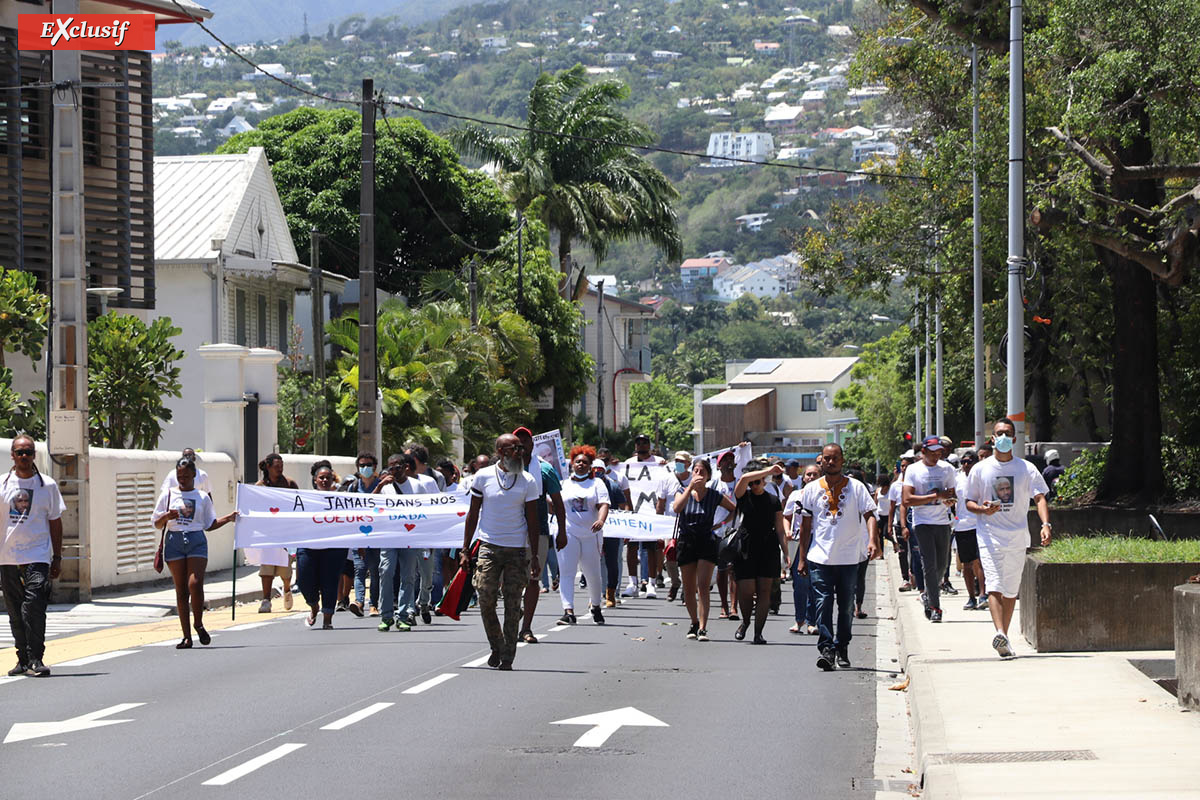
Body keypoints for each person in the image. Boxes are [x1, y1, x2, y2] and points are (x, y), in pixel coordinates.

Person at [966, 418, 1052, 658]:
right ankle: (1000, 633)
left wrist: (1045, 524)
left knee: (1011, 590)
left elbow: (1040, 497)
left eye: (1007, 433)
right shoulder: (980, 469)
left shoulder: (1026, 468)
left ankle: (1004, 638)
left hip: (1017, 536)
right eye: (999, 433)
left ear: (1014, 439)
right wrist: (983, 510)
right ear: (992, 438)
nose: (1003, 437)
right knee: (993, 584)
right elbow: (968, 502)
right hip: (989, 535)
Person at [797, 443, 880, 671]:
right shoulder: (812, 489)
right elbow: (805, 526)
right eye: (826, 458)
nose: (830, 462)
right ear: (821, 460)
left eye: (835, 458)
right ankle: (826, 648)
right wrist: (802, 557)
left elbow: (870, 515)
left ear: (842, 460)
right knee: (823, 603)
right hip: (819, 558)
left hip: (849, 558)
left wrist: (873, 540)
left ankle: (841, 645)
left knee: (845, 607)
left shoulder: (856, 488)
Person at [460, 434, 540, 670]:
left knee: (513, 603)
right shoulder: (482, 477)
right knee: (485, 596)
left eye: (521, 448)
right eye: (515, 449)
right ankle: (496, 644)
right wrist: (465, 549)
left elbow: (533, 520)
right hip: (488, 546)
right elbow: (473, 514)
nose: (520, 452)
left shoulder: (528, 480)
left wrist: (534, 555)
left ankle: (507, 656)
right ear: (501, 452)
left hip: (516, 549)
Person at [152, 458, 237, 649]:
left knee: (195, 584)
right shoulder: (167, 495)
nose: (182, 479)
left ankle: (198, 623)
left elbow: (209, 524)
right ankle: (186, 637)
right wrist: (166, 517)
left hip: (196, 540)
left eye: (186, 476)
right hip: (174, 541)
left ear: (194, 476)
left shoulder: (202, 497)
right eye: (179, 476)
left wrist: (228, 518)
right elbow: (157, 524)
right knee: (181, 591)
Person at [1, 436, 65, 677]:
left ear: (34, 455)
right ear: (12, 456)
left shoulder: (46, 485)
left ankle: (36, 658)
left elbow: (55, 523)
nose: (24, 456)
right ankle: (22, 658)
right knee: (15, 609)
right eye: (20, 452)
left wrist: (56, 557)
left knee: (34, 606)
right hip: (7, 557)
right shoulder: (2, 485)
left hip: (37, 555)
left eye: (28, 452)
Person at [670, 458, 738, 641]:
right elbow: (677, 508)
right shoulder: (681, 491)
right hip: (686, 541)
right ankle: (693, 622)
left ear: (708, 476)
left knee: (703, 586)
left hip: (706, 541)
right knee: (689, 587)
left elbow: (734, 509)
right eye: (696, 471)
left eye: (702, 472)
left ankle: (702, 627)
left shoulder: (714, 495)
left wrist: (719, 525)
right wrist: (690, 487)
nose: (698, 474)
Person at [514, 426, 566, 644]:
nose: (522, 446)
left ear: (532, 445)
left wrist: (562, 531)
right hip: (509, 532)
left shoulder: (544, 470)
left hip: (539, 533)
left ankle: (525, 628)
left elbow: (558, 503)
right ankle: (514, 616)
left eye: (526, 441)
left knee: (533, 579)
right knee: (510, 581)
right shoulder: (501, 469)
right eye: (517, 442)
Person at [731, 464, 790, 644]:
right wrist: (767, 471)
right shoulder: (743, 495)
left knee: (765, 591)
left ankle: (758, 633)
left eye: (757, 482)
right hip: (746, 546)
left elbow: (780, 529)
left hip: (768, 546)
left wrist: (786, 552)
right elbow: (742, 480)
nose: (753, 485)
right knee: (746, 591)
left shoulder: (773, 500)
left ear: (764, 482)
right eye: (751, 482)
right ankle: (746, 622)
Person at [903, 437, 957, 623]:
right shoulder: (913, 470)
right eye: (932, 452)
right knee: (929, 564)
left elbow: (952, 494)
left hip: (943, 521)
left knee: (942, 565)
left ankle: (927, 593)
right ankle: (935, 607)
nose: (936, 456)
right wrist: (935, 496)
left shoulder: (947, 469)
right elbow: (907, 499)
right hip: (922, 522)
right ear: (923, 452)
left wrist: (949, 500)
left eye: (939, 453)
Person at [556, 446, 610, 624]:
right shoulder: (564, 484)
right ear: (572, 463)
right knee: (566, 572)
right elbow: (555, 505)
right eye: (577, 461)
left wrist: (601, 520)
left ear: (590, 466)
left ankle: (595, 606)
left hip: (591, 534)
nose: (580, 464)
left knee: (592, 573)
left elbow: (603, 504)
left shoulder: (597, 484)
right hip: (568, 532)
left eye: (585, 462)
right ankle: (568, 611)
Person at [297, 461, 348, 629]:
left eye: (328, 478)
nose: (325, 480)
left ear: (333, 480)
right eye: (321, 478)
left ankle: (327, 619)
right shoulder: (304, 498)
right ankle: (313, 606)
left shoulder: (342, 499)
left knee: (330, 583)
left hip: (334, 549)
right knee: (304, 581)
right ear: (315, 479)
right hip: (308, 547)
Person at [372, 453, 420, 632]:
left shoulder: (417, 486)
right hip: (389, 536)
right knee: (386, 572)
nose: (394, 470)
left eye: (398, 467)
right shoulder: (385, 487)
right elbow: (371, 504)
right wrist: (381, 485)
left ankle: (404, 614)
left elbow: (429, 509)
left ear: (406, 467)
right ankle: (386, 615)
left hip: (410, 536)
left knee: (408, 576)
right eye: (391, 467)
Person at [621, 433, 666, 599]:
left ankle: (651, 583)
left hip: (650, 511)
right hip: (633, 511)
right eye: (638, 443)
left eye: (644, 442)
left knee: (651, 547)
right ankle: (633, 582)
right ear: (635, 446)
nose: (641, 445)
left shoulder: (658, 463)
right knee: (631, 547)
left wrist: (665, 466)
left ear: (649, 445)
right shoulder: (628, 464)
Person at [254, 454, 298, 613]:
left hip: (285, 533)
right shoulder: (259, 487)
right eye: (276, 466)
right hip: (267, 534)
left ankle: (287, 589)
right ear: (268, 467)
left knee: (285, 569)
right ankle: (266, 599)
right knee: (266, 568)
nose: (280, 469)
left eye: (281, 466)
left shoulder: (289, 484)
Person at [784, 462, 821, 634]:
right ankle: (799, 620)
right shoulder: (795, 495)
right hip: (799, 541)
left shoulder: (824, 496)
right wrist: (787, 532)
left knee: (815, 582)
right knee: (800, 582)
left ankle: (812, 621)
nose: (812, 477)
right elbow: (786, 516)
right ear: (803, 477)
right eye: (809, 474)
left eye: (815, 474)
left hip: (819, 540)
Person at [345, 452, 382, 618]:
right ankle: (359, 602)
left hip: (378, 536)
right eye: (362, 465)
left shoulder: (382, 486)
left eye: (368, 465)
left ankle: (374, 604)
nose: (365, 468)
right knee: (359, 570)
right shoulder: (353, 487)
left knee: (375, 571)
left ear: (375, 467)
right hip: (358, 535)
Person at [953, 450, 988, 610]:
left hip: (979, 524)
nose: (966, 464)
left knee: (979, 561)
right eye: (964, 462)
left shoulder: (981, 477)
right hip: (962, 526)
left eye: (969, 461)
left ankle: (983, 594)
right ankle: (971, 597)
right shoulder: (957, 479)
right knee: (966, 564)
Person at [594, 458, 625, 607]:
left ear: (605, 471)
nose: (596, 473)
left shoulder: (613, 487)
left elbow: (624, 507)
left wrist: (625, 529)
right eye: (594, 470)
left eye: (599, 470)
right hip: (593, 530)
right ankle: (595, 596)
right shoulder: (588, 486)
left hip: (612, 531)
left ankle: (611, 592)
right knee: (593, 562)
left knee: (612, 562)